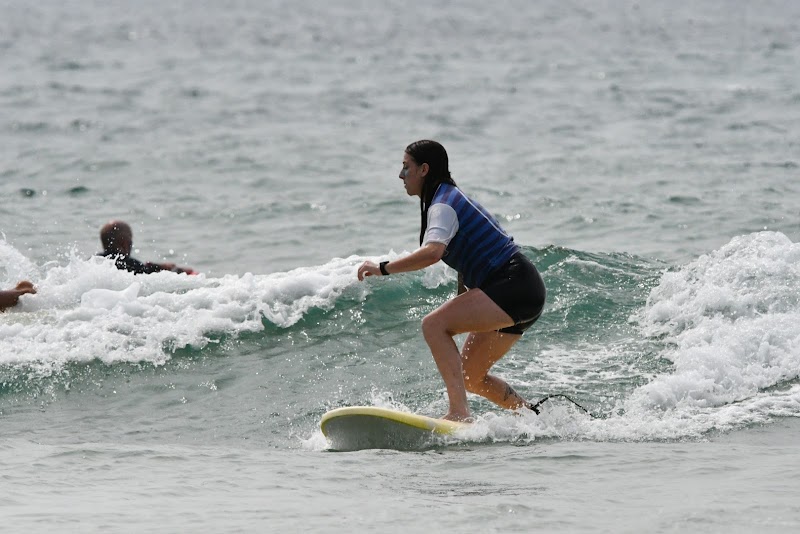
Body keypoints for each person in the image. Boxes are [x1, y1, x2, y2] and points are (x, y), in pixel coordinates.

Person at [357, 140, 546, 422]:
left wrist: (382, 268)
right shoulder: (448, 197)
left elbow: (433, 253)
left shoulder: (443, 205)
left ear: (424, 170)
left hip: (511, 285)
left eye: (406, 167)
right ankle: (533, 417)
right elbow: (469, 253)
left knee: (433, 325)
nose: (400, 175)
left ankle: (459, 413)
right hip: (522, 290)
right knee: (472, 376)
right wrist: (463, 296)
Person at [99, 220, 194, 275]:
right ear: (125, 243)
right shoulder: (130, 264)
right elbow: (148, 274)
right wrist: (177, 270)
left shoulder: (94, 262)